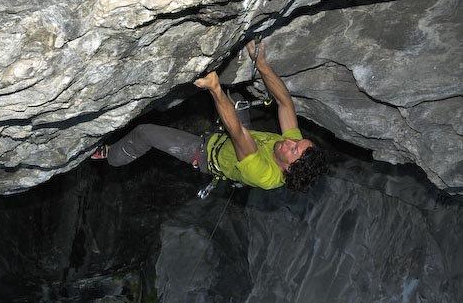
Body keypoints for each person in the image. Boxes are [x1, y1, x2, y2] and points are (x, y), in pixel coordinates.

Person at [91, 40, 327, 192]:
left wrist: (214, 89)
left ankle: (113, 155)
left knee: (146, 133)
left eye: (293, 150)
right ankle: (223, 94)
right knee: (235, 94)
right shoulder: (293, 147)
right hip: (234, 139)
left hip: (205, 153)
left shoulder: (264, 175)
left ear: (287, 169)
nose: (289, 141)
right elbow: (285, 103)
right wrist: (261, 63)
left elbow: (238, 132)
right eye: (297, 141)